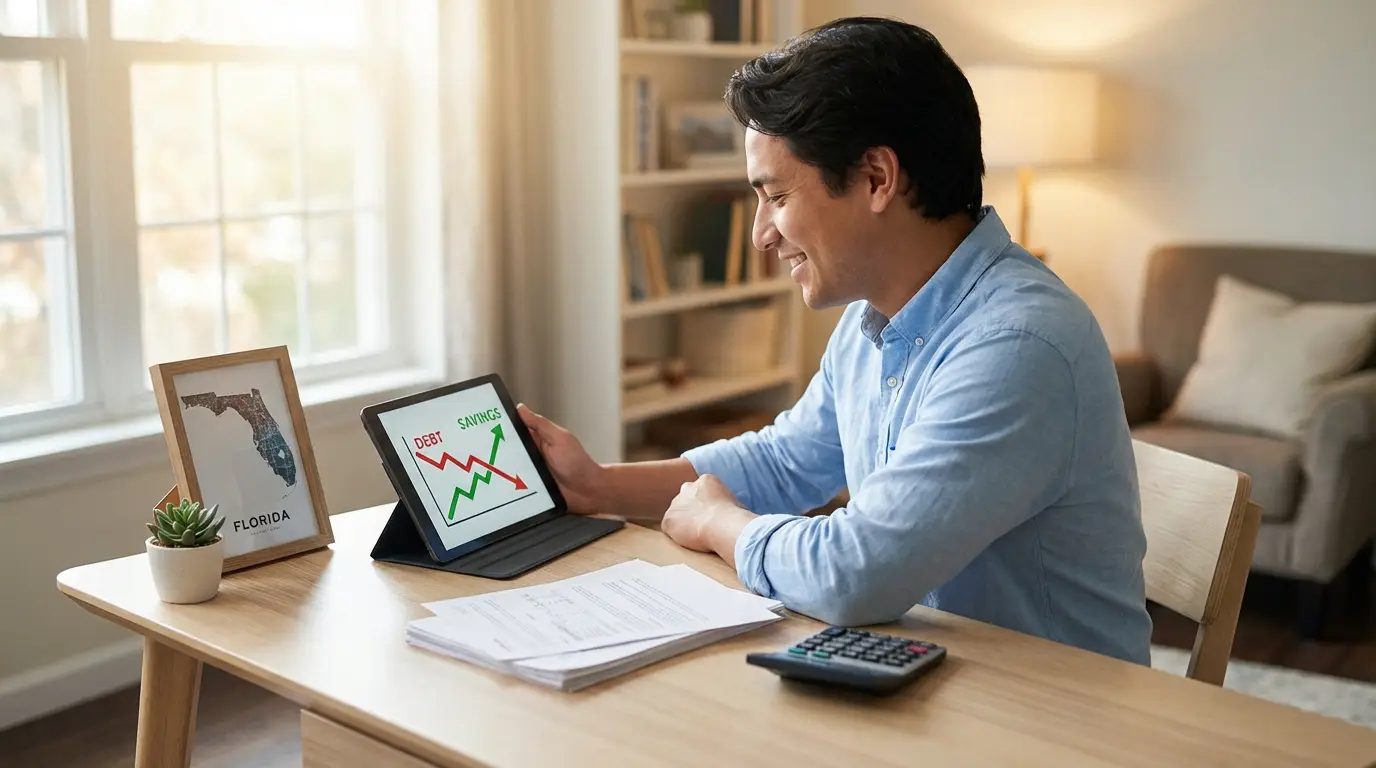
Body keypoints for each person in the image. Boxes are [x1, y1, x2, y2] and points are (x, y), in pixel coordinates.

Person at [519, 17, 1152, 664]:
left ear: (878, 178)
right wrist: (600, 488)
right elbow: (786, 461)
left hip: (1053, 724)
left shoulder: (1019, 343)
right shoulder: (873, 318)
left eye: (777, 197)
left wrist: (721, 524)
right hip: (932, 684)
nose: (763, 234)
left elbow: (857, 573)